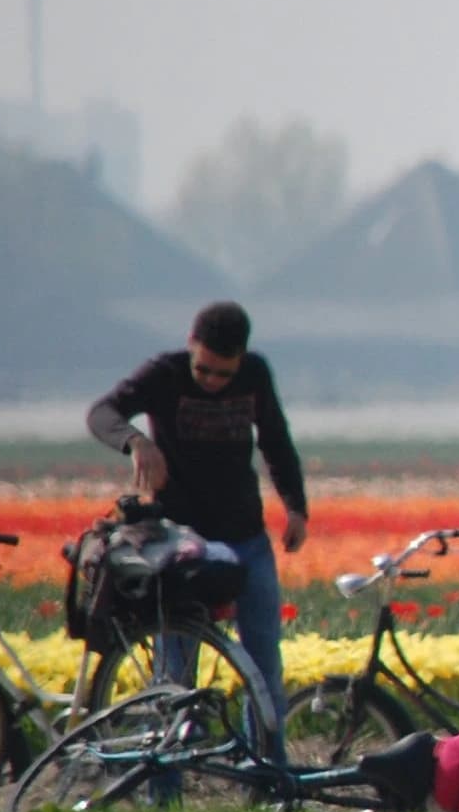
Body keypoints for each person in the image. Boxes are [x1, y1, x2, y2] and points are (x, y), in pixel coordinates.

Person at [87, 300, 308, 721]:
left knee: (264, 671)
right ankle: (166, 784)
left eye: (224, 373)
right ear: (191, 344)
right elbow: (101, 413)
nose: (211, 380)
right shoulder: (165, 374)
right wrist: (137, 441)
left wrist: (296, 508)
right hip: (180, 547)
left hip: (245, 537)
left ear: (241, 357)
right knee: (174, 674)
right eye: (203, 369)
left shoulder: (255, 374)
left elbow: (276, 441)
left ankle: (268, 777)